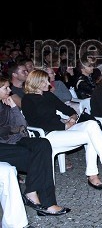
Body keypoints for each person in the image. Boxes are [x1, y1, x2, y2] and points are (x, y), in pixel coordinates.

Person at [21, 70, 102, 190]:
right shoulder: (27, 100)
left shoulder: (48, 95)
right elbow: (37, 122)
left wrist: (72, 118)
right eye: (45, 81)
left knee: (92, 124)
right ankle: (94, 173)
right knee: (91, 136)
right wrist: (63, 126)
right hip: (48, 135)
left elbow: (68, 110)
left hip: (63, 127)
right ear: (36, 83)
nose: (49, 83)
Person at [0, 76, 70, 218]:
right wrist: (14, 129)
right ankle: (43, 202)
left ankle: (38, 196)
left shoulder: (6, 103)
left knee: (43, 144)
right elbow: (9, 129)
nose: (9, 90)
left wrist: (13, 108)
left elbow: (22, 125)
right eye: (5, 88)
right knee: (37, 158)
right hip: (3, 146)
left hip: (13, 140)